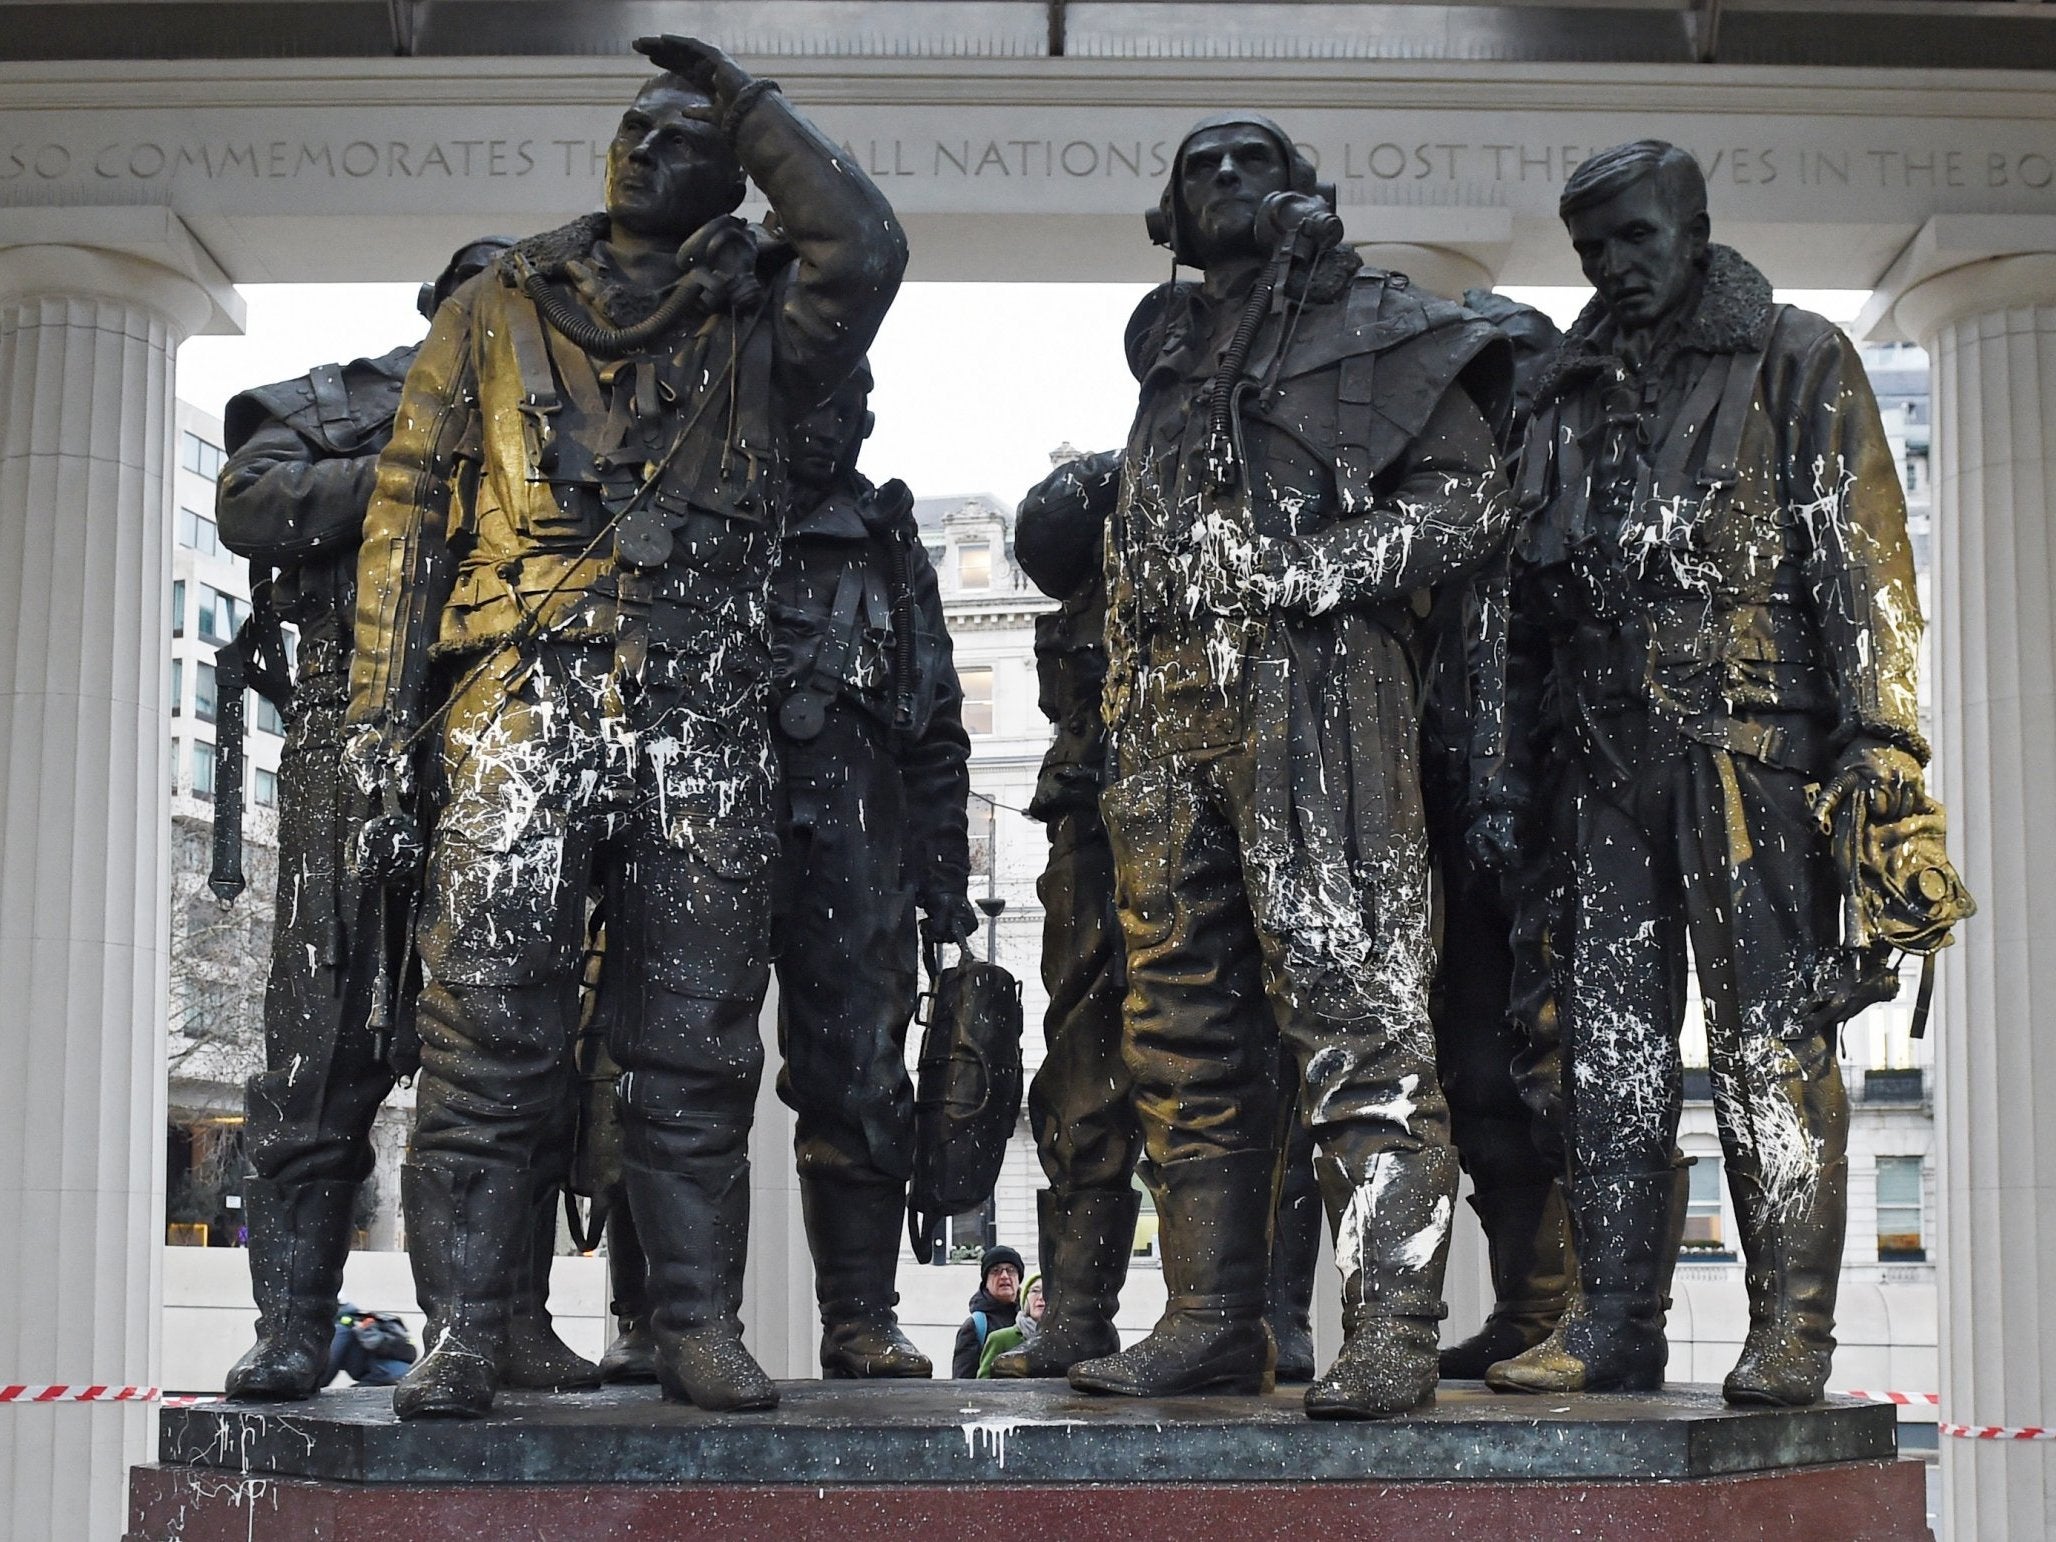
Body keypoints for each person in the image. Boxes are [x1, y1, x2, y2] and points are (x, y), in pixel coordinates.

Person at [345, 35, 906, 1418]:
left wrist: (754, 102)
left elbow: (869, 249)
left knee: (698, 1035)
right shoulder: (493, 302)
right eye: (635, 132)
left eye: (688, 140)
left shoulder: (764, 321)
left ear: (733, 178)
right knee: (485, 1027)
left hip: (703, 715)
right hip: (516, 703)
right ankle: (470, 1321)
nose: (652, 152)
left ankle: (697, 1319)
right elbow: (409, 514)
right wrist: (374, 724)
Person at [1069, 112, 1513, 1420]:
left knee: (1356, 1007)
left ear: (1301, 190)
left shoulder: (1384, 322)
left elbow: (1467, 504)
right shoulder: (1175, 352)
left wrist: (1315, 573)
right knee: (1180, 1026)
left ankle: (1394, 1325)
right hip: (1164, 712)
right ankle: (1210, 1316)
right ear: (1169, 209)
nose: (1218, 179)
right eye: (1195, 164)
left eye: (1247, 160)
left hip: (1313, 691)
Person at [1488, 140, 1928, 1406]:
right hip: (1601, 760)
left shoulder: (1796, 358)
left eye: (1633, 237)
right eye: (1589, 251)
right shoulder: (1564, 392)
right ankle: (1612, 1320)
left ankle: (1790, 1328)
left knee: (1770, 1049)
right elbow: (1525, 608)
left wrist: (1885, 755)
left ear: (1691, 224)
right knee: (1609, 1057)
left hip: (1756, 757)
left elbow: (1865, 578)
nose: (1612, 267)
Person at [217, 236, 598, 1403]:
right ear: (444, 309)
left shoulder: (582, 418)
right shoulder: (338, 401)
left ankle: (498, 1321)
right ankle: (292, 1324)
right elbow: (253, 507)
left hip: (509, 738)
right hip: (350, 736)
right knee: (317, 1039)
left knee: (505, 1042)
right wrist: (421, 463)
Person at [769, 361, 973, 1378]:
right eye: (805, 403)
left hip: (860, 839)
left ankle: (858, 1313)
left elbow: (935, 728)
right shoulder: (710, 516)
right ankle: (655, 1316)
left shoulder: (890, 547)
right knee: (675, 1071)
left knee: (861, 1078)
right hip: (709, 817)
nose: (822, 427)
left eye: (841, 409)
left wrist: (944, 883)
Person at [987, 447, 1144, 1380]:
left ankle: (1261, 1313)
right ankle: (1080, 1312)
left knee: (1227, 1085)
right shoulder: (1082, 587)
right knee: (1081, 1083)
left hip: (1197, 833)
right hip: (1094, 847)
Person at [952, 1245, 1024, 1377]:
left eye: (1011, 1270)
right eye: (995, 1271)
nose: (1004, 1276)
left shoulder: (1030, 1319)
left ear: (1019, 1279)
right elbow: (962, 1383)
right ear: (986, 1281)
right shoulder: (975, 1325)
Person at [322, 1304, 418, 1388]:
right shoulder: (358, 1320)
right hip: (396, 1376)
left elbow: (332, 1361)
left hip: (384, 1377)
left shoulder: (342, 1328)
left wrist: (314, 1385)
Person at [977, 1274, 1045, 1376]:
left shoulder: (1063, 1340)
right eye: (1035, 1291)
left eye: (1048, 1292)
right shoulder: (999, 1339)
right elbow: (983, 1384)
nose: (1041, 1297)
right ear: (1025, 1299)